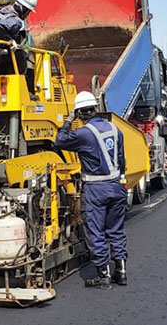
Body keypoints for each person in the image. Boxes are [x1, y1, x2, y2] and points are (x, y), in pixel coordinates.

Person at [54, 91, 127, 289]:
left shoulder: (83, 134)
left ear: (79, 113)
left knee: (96, 231)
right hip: (116, 186)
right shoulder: (114, 129)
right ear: (95, 109)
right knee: (116, 230)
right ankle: (121, 272)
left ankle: (104, 275)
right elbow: (122, 161)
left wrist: (68, 121)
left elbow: (59, 141)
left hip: (96, 189)